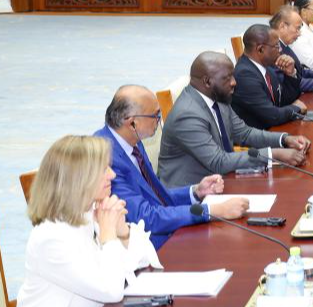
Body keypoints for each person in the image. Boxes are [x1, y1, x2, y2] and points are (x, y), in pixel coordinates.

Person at [93, 85, 249, 248]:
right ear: (132, 123)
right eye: (155, 115)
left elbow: (156, 196)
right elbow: (146, 217)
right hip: (150, 247)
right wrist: (213, 210)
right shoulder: (106, 156)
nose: (159, 121)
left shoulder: (133, 141)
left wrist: (196, 192)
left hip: (167, 230)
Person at [17, 135, 162, 307]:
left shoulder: (89, 212)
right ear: (77, 179)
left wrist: (123, 233)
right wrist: (109, 235)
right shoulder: (50, 238)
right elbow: (111, 291)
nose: (112, 174)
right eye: (103, 169)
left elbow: (146, 259)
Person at [158, 51, 311, 187]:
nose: (234, 82)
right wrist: (273, 154)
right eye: (227, 78)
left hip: (222, 181)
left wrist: (284, 139)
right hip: (191, 195)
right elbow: (219, 162)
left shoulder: (217, 97)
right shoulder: (187, 115)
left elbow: (244, 133)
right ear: (207, 82)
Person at [231, 24, 306, 129]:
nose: (280, 50)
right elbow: (272, 116)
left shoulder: (267, 67)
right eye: (276, 46)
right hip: (258, 139)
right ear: (260, 49)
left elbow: (284, 100)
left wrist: (290, 74)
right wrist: (296, 108)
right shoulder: (245, 76)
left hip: (274, 129)